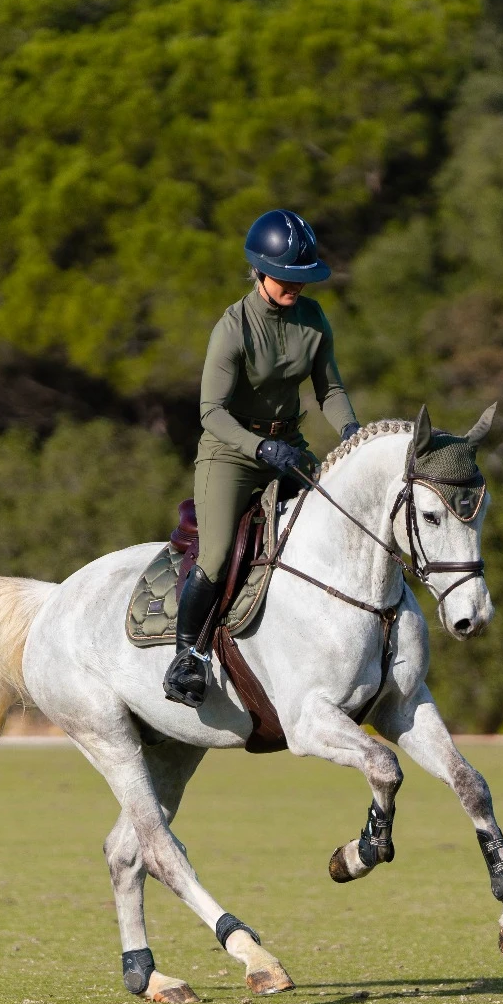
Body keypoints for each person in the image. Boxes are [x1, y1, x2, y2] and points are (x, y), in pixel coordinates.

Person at [164, 209, 361, 706]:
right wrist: (259, 447)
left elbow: (330, 389)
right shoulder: (232, 329)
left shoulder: (313, 319)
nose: (296, 287)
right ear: (260, 271)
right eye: (287, 278)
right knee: (214, 554)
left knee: (339, 517)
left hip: (288, 448)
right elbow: (210, 412)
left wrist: (353, 431)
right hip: (230, 453)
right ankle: (188, 656)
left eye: (302, 278)